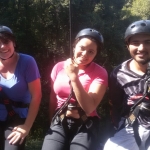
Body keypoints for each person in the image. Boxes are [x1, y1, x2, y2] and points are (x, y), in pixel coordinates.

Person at [41, 28, 108, 150]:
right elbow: (53, 97)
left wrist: (74, 77)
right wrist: (51, 120)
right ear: (74, 47)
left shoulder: (100, 73)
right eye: (81, 48)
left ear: (96, 54)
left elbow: (89, 108)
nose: (84, 54)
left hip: (86, 124)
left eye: (91, 52)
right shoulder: (59, 67)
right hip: (60, 121)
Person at [103, 20, 150, 150]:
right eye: (135, 43)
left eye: (148, 42)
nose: (141, 48)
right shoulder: (118, 74)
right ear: (128, 46)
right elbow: (115, 105)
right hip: (132, 126)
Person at [0, 25, 42, 150]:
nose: (2, 46)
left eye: (6, 41)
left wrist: (27, 127)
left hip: (15, 118)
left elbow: (36, 95)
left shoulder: (27, 62)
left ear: (13, 42)